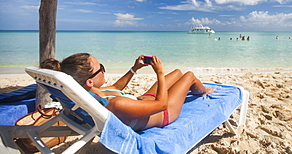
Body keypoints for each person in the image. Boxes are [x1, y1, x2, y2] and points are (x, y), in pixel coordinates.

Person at [53, 53, 213, 131]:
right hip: (164, 113)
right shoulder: (115, 104)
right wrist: (159, 73)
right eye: (100, 68)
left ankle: (193, 89)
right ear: (89, 81)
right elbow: (162, 105)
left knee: (178, 73)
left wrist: (134, 68)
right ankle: (203, 91)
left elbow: (116, 88)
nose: (103, 70)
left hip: (143, 101)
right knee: (189, 76)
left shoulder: (95, 94)